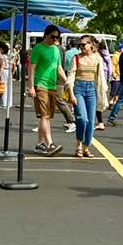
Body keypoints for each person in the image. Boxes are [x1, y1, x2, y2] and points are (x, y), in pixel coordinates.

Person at [27, 24, 67, 156]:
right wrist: (31, 87)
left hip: (52, 86)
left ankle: (40, 144)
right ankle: (50, 144)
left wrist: (66, 82)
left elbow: (59, 68)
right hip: (40, 85)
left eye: (57, 37)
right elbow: (31, 68)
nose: (55, 39)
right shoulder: (38, 49)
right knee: (44, 115)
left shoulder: (56, 49)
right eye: (53, 37)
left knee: (47, 117)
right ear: (46, 35)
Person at [68, 35, 105, 157]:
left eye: (84, 44)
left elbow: (101, 78)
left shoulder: (97, 58)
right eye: (80, 45)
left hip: (91, 90)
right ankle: (78, 145)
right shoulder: (76, 58)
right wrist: (71, 93)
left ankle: (86, 147)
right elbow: (71, 76)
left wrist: (102, 93)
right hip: (78, 88)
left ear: (91, 45)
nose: (81, 47)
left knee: (91, 121)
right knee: (82, 118)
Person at [0, 43, 13, 109]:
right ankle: (9, 103)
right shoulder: (8, 57)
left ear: (2, 49)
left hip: (4, 71)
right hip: (9, 71)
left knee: (3, 86)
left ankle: (4, 103)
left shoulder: (2, 57)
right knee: (9, 87)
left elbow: (2, 66)